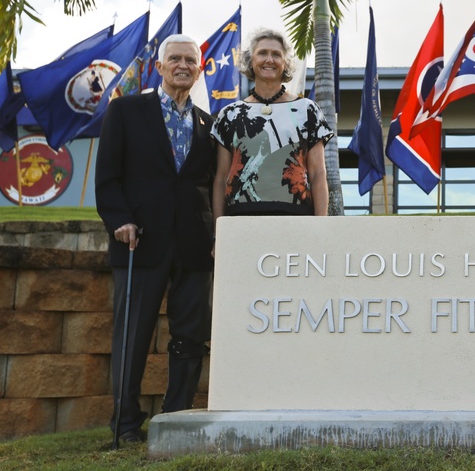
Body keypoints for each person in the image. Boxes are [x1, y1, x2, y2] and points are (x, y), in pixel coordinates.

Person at [95, 33, 215, 444]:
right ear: (159, 67)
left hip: (194, 245)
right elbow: (108, 177)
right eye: (175, 59)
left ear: (199, 70)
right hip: (139, 242)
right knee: (133, 335)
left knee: (191, 335)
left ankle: (176, 416)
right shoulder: (127, 111)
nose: (183, 65)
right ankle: (126, 424)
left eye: (190, 61)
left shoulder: (208, 124)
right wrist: (120, 220)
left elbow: (208, 185)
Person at [211, 28, 333, 217]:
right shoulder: (229, 114)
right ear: (251, 61)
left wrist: (321, 225)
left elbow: (318, 174)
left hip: (296, 215)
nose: (269, 60)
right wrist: (218, 231)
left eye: (276, 54)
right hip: (240, 218)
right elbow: (220, 178)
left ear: (285, 63)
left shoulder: (307, 110)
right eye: (262, 53)